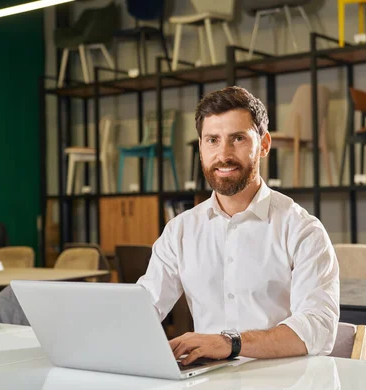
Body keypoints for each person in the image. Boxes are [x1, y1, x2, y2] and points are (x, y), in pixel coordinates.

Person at [137, 86, 339, 366]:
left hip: (284, 387)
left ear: (264, 145)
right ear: (200, 147)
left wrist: (230, 343)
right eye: (212, 140)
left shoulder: (302, 230)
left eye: (238, 139)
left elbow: (318, 329)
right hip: (205, 384)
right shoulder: (179, 231)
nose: (224, 154)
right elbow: (143, 307)